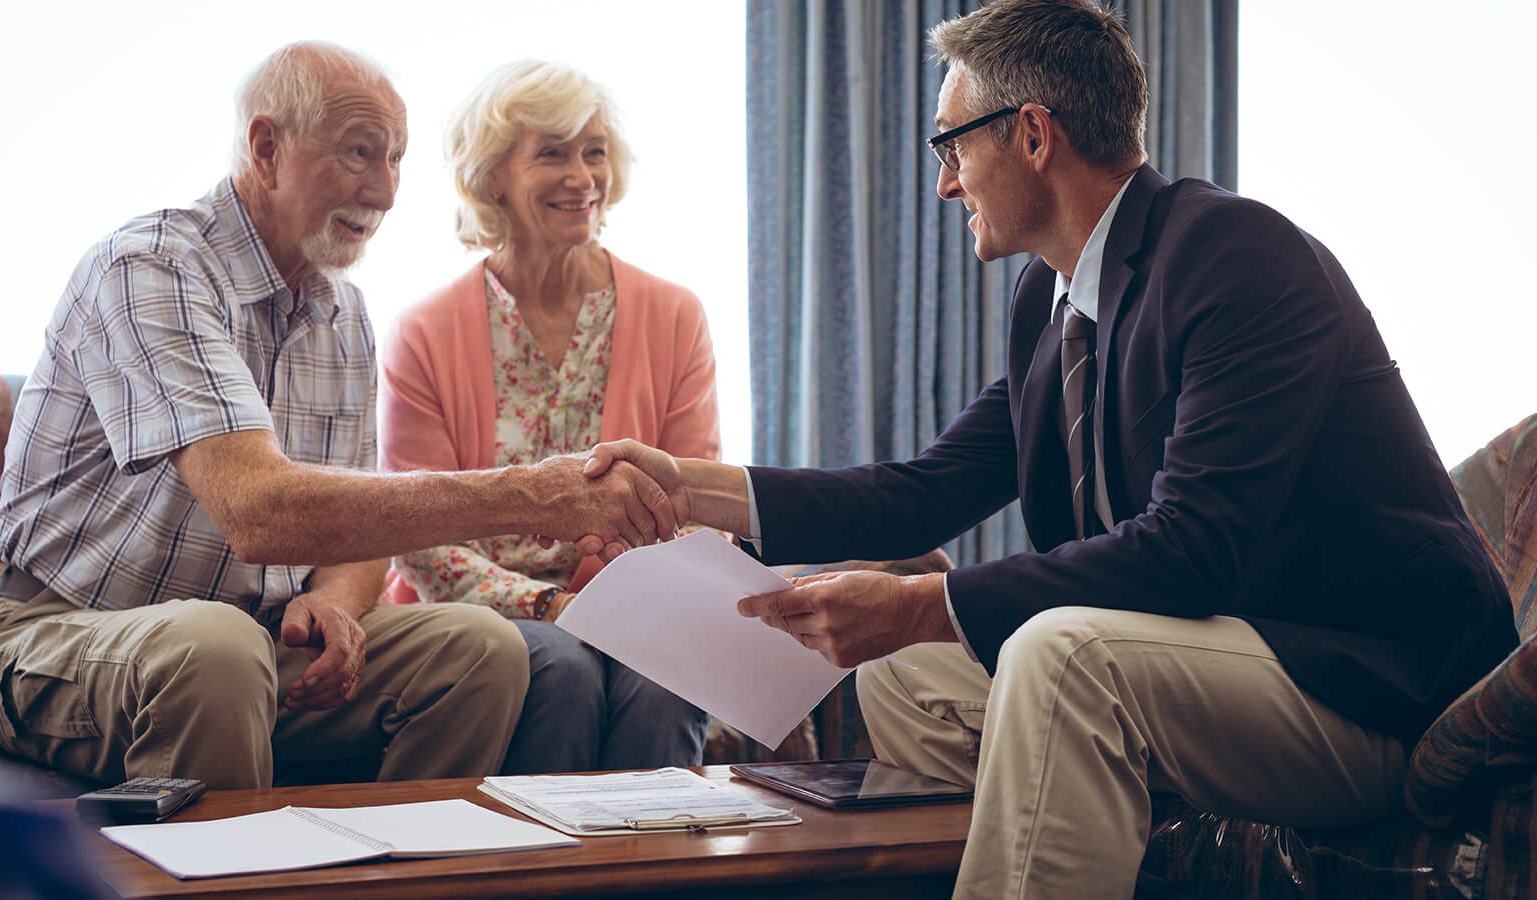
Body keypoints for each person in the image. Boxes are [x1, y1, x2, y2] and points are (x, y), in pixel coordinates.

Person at [581, 1, 1517, 896]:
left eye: (952, 145)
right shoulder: (1053, 302)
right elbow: (919, 494)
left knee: (1062, 657)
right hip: (1220, 668)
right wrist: (686, 485)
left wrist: (923, 602)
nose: (945, 181)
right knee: (907, 678)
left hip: (1366, 691)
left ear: (1031, 135)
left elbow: (1194, 551)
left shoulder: (1239, 257)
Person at [0, 41, 680, 792]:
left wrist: (334, 603)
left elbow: (362, 533)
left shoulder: (344, 310)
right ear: (267, 148)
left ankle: (412, 874)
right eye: (360, 154)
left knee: (485, 649)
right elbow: (258, 513)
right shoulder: (151, 268)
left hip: (255, 636)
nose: (387, 190)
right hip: (56, 634)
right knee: (216, 646)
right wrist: (535, 495)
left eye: (396, 159)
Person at [377, 60, 713, 773]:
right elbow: (419, 538)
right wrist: (553, 608)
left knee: (670, 679)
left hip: (638, 604)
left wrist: (630, 603)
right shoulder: (423, 331)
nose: (582, 177)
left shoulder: (675, 315)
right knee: (560, 669)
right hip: (484, 615)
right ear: (493, 174)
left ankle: (652, 878)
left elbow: (698, 503)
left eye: (594, 152)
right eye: (553, 153)